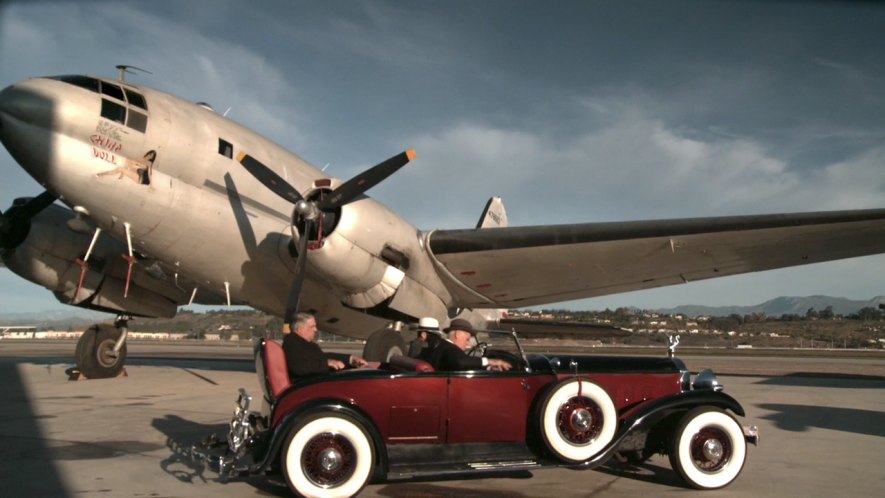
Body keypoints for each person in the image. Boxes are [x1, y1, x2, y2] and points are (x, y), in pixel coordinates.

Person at [282, 312, 368, 379]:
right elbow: (298, 367)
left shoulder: (303, 343)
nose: (316, 330)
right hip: (308, 387)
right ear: (300, 329)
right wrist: (326, 363)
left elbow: (322, 356)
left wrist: (350, 358)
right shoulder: (291, 343)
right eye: (312, 327)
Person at [422, 318, 512, 371]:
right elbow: (460, 362)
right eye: (467, 339)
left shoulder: (441, 346)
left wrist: (487, 368)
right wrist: (491, 361)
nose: (468, 343)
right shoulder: (450, 349)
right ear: (457, 334)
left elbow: (459, 364)